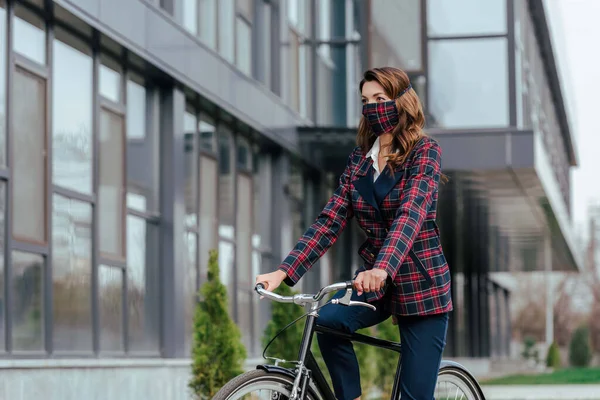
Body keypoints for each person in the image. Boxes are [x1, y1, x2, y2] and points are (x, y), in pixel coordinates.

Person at [255, 67, 453, 400]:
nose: (372, 107)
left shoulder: (424, 152)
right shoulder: (359, 162)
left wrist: (382, 267)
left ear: (402, 101)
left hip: (421, 286)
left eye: (380, 98)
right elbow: (328, 221)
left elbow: (411, 214)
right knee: (329, 321)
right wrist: (284, 271)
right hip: (375, 286)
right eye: (365, 100)